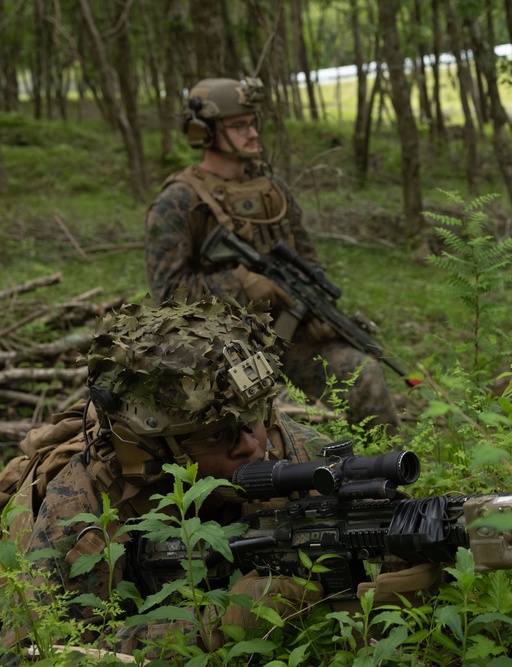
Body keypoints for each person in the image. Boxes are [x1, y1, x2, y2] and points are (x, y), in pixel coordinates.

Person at [8, 296, 439, 657]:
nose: (252, 444)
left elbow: (380, 530)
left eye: (257, 415)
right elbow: (32, 652)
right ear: (155, 450)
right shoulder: (82, 504)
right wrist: (214, 626)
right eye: (217, 435)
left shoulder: (298, 451)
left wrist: (398, 574)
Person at [144, 76, 401, 435]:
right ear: (204, 133)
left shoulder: (273, 189)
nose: (252, 133)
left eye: (252, 123)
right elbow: (168, 292)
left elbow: (306, 257)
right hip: (218, 347)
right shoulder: (179, 201)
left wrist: (314, 308)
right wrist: (242, 283)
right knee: (265, 413)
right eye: (238, 125)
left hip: (287, 338)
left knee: (364, 375)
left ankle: (389, 474)